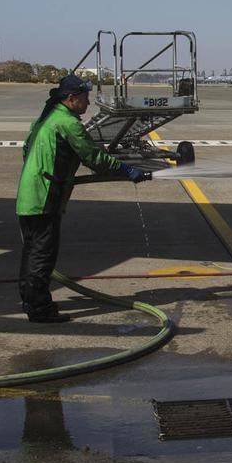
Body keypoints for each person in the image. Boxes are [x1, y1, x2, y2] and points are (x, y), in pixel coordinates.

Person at [16, 75, 147, 323]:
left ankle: (31, 301)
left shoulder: (45, 118)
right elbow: (93, 157)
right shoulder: (67, 124)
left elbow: (26, 149)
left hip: (29, 193)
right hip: (45, 198)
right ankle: (40, 310)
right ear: (71, 99)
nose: (88, 103)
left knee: (32, 253)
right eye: (85, 98)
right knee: (42, 256)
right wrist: (126, 171)